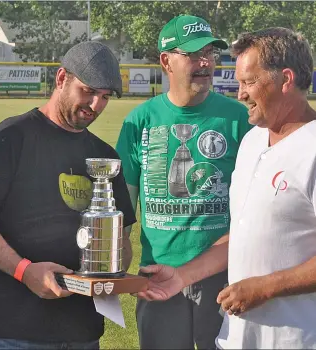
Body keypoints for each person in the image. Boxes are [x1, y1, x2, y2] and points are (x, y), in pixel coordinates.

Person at [138, 27, 316, 349]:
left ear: (285, 79)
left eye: (249, 82)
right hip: (235, 338)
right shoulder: (251, 141)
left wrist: (266, 287)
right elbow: (242, 235)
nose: (240, 93)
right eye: (238, 82)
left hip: (295, 339)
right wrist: (182, 277)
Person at [0, 41, 136, 350]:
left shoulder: (104, 156)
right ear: (61, 79)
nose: (96, 105)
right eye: (88, 91)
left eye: (105, 97)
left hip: (82, 331)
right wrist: (25, 271)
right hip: (13, 331)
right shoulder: (9, 139)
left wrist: (112, 266)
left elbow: (122, 243)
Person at [116, 14, 251, 349]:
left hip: (224, 277)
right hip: (157, 278)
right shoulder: (140, 121)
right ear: (167, 61)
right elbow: (121, 211)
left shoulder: (239, 119)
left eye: (210, 53)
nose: (205, 63)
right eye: (193, 54)